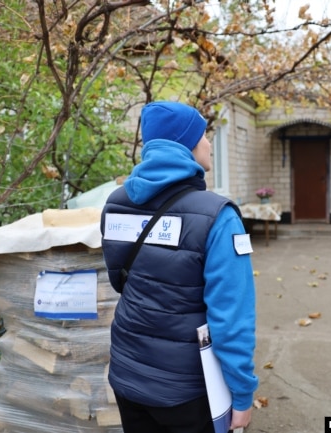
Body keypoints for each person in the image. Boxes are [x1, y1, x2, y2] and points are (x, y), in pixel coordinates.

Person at [100, 101, 258, 432]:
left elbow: (121, 280)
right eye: (203, 135)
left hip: (127, 374)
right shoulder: (218, 217)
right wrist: (242, 394)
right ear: (184, 144)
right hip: (186, 390)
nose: (208, 143)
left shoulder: (116, 204)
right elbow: (231, 319)